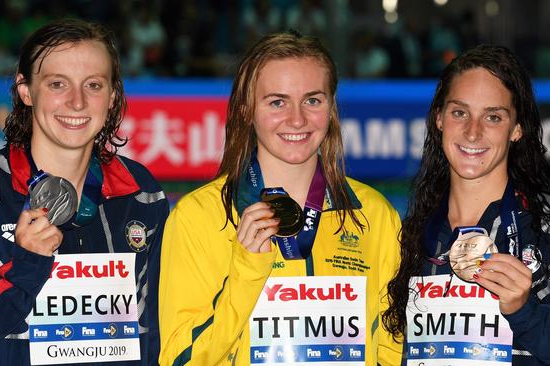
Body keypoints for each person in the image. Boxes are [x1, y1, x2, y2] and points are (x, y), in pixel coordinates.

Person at [158, 31, 403, 365]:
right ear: (246, 111)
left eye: (312, 100)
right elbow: (180, 359)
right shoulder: (197, 216)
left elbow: (393, 350)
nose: (297, 119)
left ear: (331, 108)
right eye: (277, 102)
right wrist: (246, 271)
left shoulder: (374, 215)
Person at [0, 19, 168, 365]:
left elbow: (158, 331)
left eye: (94, 85)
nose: (77, 102)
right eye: (58, 84)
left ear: (113, 96)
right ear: (25, 90)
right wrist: (26, 267)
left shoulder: (142, 196)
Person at [383, 44, 550, 365]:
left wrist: (526, 314)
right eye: (459, 112)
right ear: (439, 119)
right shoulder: (410, 239)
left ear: (517, 129)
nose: (473, 132)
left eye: (493, 117)